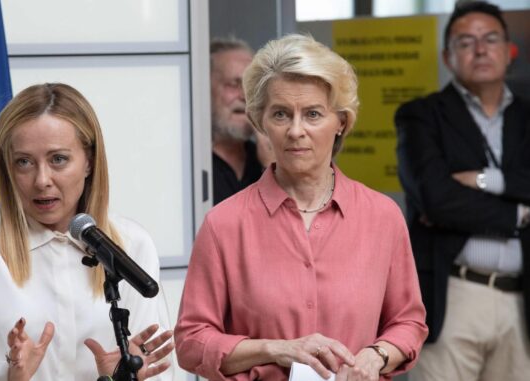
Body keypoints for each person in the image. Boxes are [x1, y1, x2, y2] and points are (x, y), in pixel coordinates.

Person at [175, 34, 428, 381]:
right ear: (261, 120)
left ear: (341, 122)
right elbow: (191, 342)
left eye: (312, 114)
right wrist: (276, 348)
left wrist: (376, 356)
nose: (296, 131)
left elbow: (409, 322)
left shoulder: (382, 216)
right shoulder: (224, 224)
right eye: (281, 114)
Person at [0, 83, 174, 381]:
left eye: (58, 159)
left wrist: (123, 377)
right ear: (7, 167)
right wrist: (3, 374)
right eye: (25, 162)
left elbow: (158, 367)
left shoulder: (131, 243)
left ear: (89, 161)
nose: (42, 180)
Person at [394, 1, 530, 380]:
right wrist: (519, 213)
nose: (481, 49)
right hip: (455, 292)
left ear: (508, 50)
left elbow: (454, 199)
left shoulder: (527, 116)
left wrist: (489, 181)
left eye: (490, 39)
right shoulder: (421, 116)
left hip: (521, 302)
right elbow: (437, 199)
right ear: (447, 56)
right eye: (466, 42)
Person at [210, 37, 266, 205]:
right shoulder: (191, 164)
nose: (244, 96)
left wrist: (273, 170)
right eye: (234, 84)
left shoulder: (266, 159)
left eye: (251, 87)